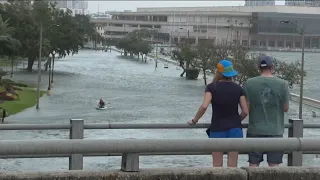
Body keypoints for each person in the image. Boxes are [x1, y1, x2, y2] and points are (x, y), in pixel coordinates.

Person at [187, 60, 248, 167]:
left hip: (217, 128)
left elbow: (204, 106)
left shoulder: (211, 87)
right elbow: (245, 111)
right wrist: (236, 121)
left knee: (217, 165)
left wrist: (194, 120)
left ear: (218, 72)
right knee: (233, 165)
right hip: (235, 129)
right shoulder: (238, 88)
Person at [243, 55, 290, 167]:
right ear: (272, 67)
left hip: (255, 130)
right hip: (275, 131)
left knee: (253, 165)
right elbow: (285, 108)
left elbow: (246, 109)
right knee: (274, 166)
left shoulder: (249, 83)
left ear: (258, 67)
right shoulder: (283, 84)